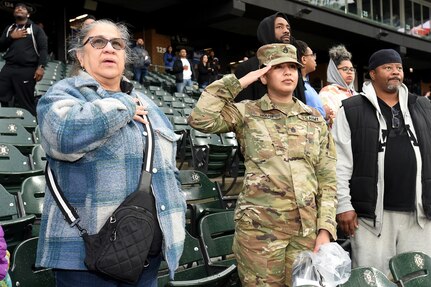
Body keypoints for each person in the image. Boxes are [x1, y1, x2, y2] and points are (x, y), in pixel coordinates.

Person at [35, 19, 187, 287]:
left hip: (143, 252)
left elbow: (169, 170)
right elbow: (63, 136)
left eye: (117, 43)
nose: (109, 48)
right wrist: (123, 105)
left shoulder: (149, 104)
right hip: (85, 255)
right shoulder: (62, 94)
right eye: (98, 42)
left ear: (125, 56)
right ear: (80, 56)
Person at [188, 43, 337, 286]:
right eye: (278, 67)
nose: (288, 72)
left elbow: (328, 178)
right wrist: (241, 81)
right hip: (259, 234)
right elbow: (200, 118)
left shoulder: (314, 118)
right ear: (264, 76)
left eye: (293, 67)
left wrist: (326, 230)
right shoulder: (247, 112)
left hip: (305, 232)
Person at [332, 49, 431, 276]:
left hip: (419, 213)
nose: (395, 72)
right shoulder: (351, 109)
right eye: (388, 68)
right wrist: (343, 204)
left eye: (398, 68)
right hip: (371, 217)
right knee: (373, 277)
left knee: (417, 276)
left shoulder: (423, 106)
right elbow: (339, 162)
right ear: (373, 74)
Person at [234, 12, 306, 104]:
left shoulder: (295, 66)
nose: (286, 31)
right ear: (266, 31)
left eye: (288, 27)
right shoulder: (247, 68)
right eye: (279, 27)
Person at [0, 2, 48, 116]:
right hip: (9, 67)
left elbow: (43, 49)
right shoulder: (9, 28)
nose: (19, 9)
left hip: (27, 69)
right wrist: (11, 37)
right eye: (17, 8)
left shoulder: (35, 29)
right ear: (13, 13)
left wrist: (41, 67)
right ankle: (6, 121)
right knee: (2, 95)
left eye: (23, 8)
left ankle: (30, 127)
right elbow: (1, 46)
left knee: (25, 102)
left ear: (28, 14)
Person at [319, 44, 357, 126]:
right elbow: (332, 121)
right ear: (335, 71)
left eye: (351, 69)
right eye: (345, 69)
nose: (349, 72)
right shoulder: (327, 93)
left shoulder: (356, 94)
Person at [296, 40, 326, 118]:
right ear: (304, 59)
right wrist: (324, 113)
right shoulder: (296, 85)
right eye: (312, 55)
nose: (315, 58)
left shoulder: (306, 83)